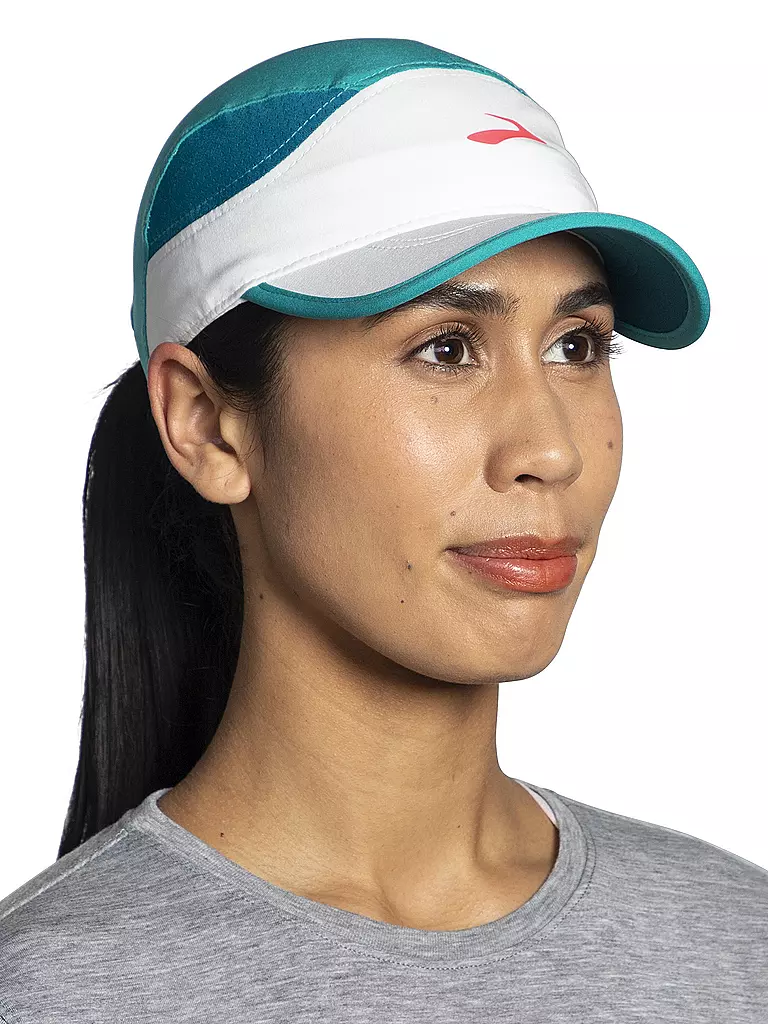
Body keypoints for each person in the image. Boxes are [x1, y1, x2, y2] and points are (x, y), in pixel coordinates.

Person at [1, 36, 765, 1023]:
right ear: (207, 425)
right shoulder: (51, 994)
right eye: (446, 348)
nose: (551, 450)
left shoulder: (735, 949)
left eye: (577, 346)